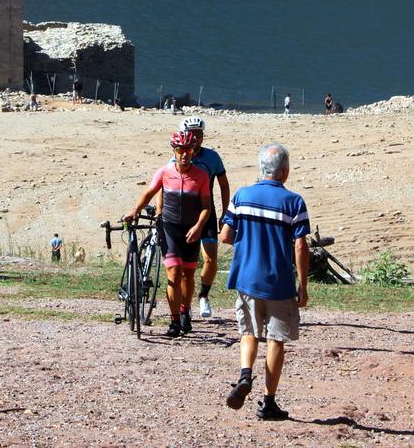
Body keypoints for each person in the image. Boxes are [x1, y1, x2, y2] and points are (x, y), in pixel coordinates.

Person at [219, 143, 310, 421]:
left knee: (249, 332)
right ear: (285, 171)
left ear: (261, 169)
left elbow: (225, 236)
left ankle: (245, 375)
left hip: (246, 278)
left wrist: (247, 244)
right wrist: (303, 285)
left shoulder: (241, 195)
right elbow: (300, 246)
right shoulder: (294, 202)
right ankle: (269, 402)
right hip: (279, 282)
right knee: (276, 340)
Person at [124, 130, 210, 338]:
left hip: (191, 229)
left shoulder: (201, 175)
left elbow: (207, 206)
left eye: (189, 150)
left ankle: (184, 312)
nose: (185, 154)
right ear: (174, 150)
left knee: (188, 276)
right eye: (180, 150)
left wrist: (198, 226)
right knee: (174, 272)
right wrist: (135, 210)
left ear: (193, 151)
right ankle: (173, 321)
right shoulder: (165, 172)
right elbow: (148, 193)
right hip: (169, 227)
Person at [174, 117, 230, 320]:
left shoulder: (212, 157)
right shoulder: (178, 156)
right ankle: (184, 306)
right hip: (183, 213)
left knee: (210, 258)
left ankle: (203, 296)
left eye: (199, 134)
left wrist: (226, 212)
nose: (196, 137)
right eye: (192, 133)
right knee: (181, 264)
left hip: (206, 212)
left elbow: (224, 184)